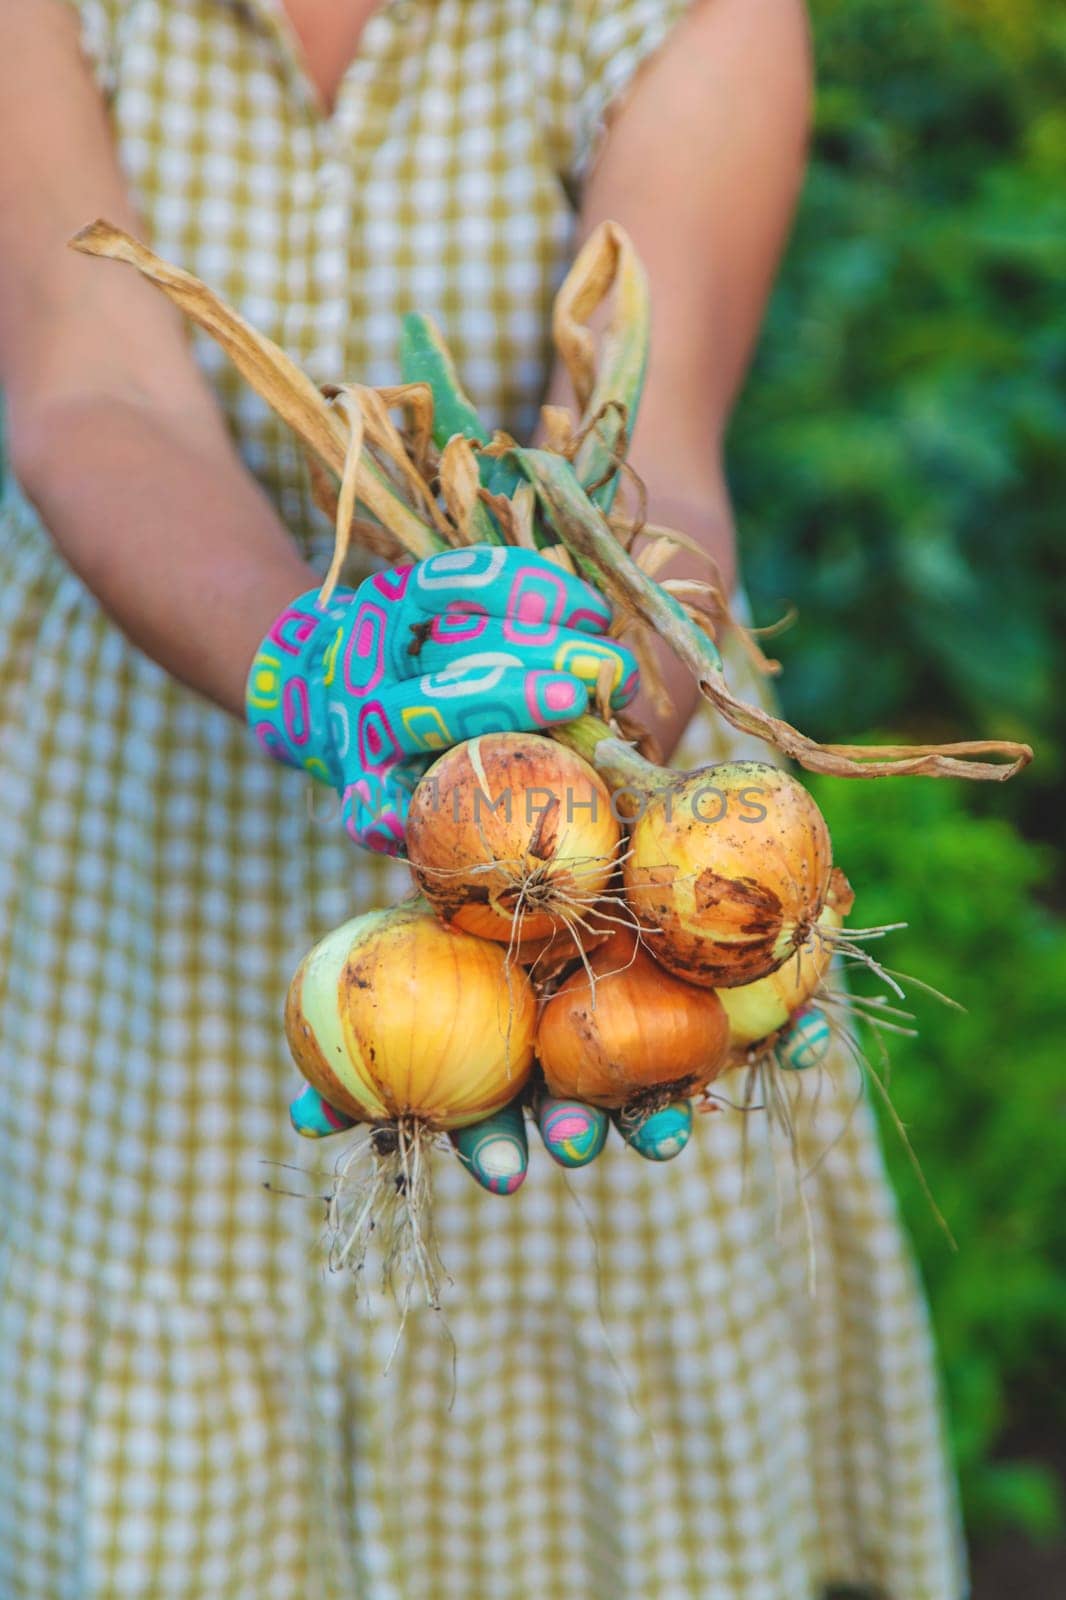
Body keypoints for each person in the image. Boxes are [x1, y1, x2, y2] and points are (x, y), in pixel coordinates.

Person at [0, 1, 965, 1595]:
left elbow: (658, 448)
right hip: (130, 868)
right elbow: (86, 380)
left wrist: (610, 676)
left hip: (597, 893)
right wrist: (319, 664)